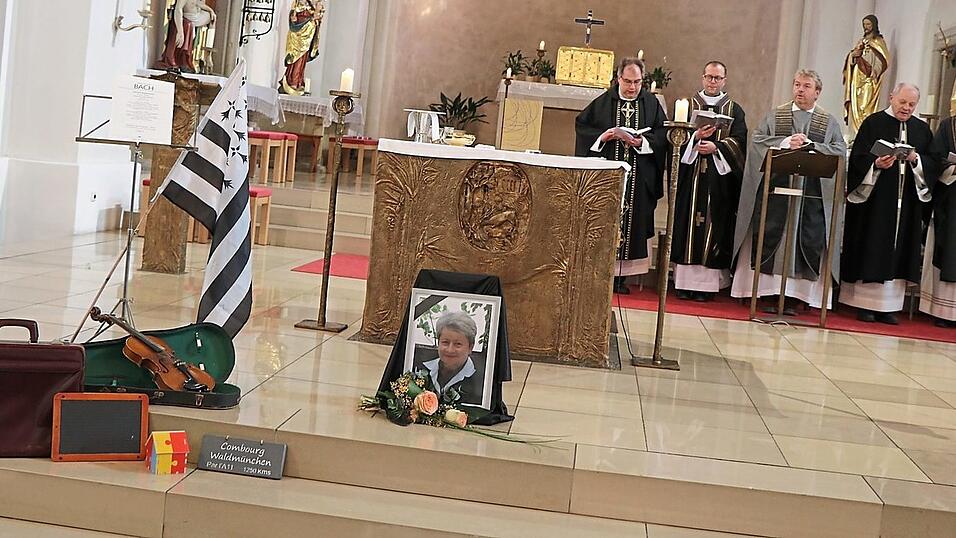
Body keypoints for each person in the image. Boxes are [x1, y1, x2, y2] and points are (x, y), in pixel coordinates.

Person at [731, 69, 847, 313]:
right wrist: (784, 143)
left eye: (806, 86)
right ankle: (768, 293)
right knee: (772, 233)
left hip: (810, 198)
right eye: (797, 84)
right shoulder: (777, 116)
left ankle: (797, 297)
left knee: (807, 236)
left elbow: (839, 150)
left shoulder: (828, 122)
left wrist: (813, 146)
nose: (800, 90)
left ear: (817, 92)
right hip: (776, 194)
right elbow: (757, 142)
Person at [840, 83, 934, 324]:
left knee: (899, 246)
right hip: (876, 202)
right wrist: (875, 164)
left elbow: (932, 163)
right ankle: (864, 305)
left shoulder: (921, 130)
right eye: (902, 102)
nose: (906, 108)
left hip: (907, 203)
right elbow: (858, 158)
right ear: (892, 97)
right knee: (873, 242)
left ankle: (889, 307)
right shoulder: (873, 123)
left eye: (912, 104)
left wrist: (916, 159)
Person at [575, 57, 667, 294]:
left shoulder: (651, 104)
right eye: (628, 81)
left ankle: (621, 279)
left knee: (634, 222)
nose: (632, 87)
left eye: (637, 82)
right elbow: (583, 127)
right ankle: (601, 275)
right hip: (609, 178)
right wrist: (603, 137)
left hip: (639, 178)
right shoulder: (604, 102)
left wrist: (642, 142)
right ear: (618, 79)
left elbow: (662, 135)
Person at [671, 61, 748, 302]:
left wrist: (717, 147)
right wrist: (694, 138)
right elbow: (672, 139)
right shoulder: (687, 105)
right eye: (709, 77)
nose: (713, 82)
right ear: (702, 78)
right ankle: (683, 284)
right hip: (691, 177)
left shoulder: (734, 110)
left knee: (715, 226)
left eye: (717, 78)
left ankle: (706, 287)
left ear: (724, 80)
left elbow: (741, 142)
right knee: (687, 224)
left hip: (718, 181)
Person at [920, 115, 956, 327]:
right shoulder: (949, 126)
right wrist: (952, 168)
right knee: (949, 249)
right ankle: (944, 312)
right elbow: (935, 160)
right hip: (950, 201)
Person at [420, 311, 485, 407]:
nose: (450, 350)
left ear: (470, 347)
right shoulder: (420, 370)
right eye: (445, 342)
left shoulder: (482, 382)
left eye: (458, 344)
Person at [843, 15, 890, 134]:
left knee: (865, 106)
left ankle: (863, 133)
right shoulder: (860, 41)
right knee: (855, 106)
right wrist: (853, 56)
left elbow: (883, 60)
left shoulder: (879, 42)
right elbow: (852, 58)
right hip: (857, 78)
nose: (866, 27)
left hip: (869, 78)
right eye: (864, 24)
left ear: (874, 25)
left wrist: (875, 71)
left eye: (868, 24)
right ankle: (853, 135)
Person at [155, 0, 216, 73]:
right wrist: (180, 32)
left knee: (212, 18)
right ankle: (180, 60)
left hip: (195, 17)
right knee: (187, 25)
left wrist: (211, 11)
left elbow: (199, 4)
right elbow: (178, 10)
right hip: (187, 17)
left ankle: (208, 55)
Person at [278, 0, 325, 96]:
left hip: (307, 37)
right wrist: (308, 19)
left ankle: (298, 82)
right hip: (298, 37)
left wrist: (316, 16)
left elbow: (316, 18)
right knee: (296, 60)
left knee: (302, 61)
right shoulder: (297, 4)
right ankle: (292, 81)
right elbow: (294, 19)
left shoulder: (313, 6)